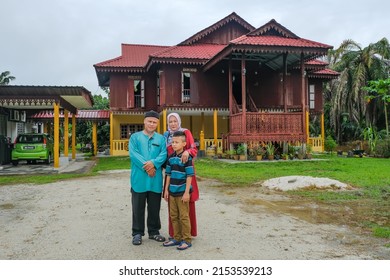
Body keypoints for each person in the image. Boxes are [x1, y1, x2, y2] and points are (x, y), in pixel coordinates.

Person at [129, 110, 167, 246]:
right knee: (137, 207)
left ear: (157, 123)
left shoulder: (161, 139)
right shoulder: (135, 137)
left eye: (154, 122)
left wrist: (154, 164)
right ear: (144, 121)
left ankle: (154, 231)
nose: (151, 124)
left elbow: (163, 154)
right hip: (139, 179)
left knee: (154, 207)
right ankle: (137, 233)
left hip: (155, 179)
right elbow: (134, 155)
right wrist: (148, 167)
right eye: (149, 121)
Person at [163, 112, 199, 238]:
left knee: (186, 203)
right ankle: (175, 234)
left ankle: (188, 235)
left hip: (185, 173)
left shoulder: (186, 132)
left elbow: (194, 148)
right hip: (172, 173)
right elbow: (164, 154)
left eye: (175, 121)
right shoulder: (166, 135)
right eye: (170, 122)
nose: (173, 124)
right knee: (172, 207)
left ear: (179, 122)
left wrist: (188, 152)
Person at [163, 131, 194, 250]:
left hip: (182, 193)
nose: (174, 144)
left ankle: (186, 240)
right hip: (172, 192)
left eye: (177, 142)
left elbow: (189, 176)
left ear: (184, 143)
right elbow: (168, 175)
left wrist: (187, 193)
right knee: (174, 216)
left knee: (184, 216)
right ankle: (176, 238)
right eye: (172, 142)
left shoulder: (187, 158)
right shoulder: (171, 158)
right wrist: (166, 190)